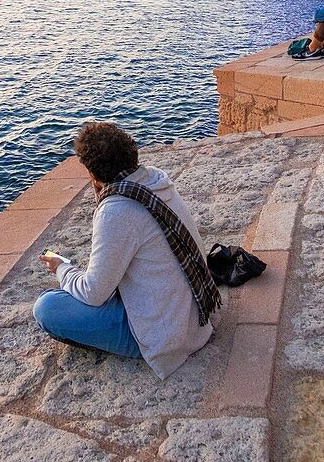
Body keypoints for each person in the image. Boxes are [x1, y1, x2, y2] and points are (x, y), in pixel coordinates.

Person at [33, 121, 219, 379]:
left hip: (167, 337)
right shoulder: (154, 181)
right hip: (194, 318)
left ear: (93, 174)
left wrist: (62, 268)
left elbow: (93, 293)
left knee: (47, 307)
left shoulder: (116, 210)